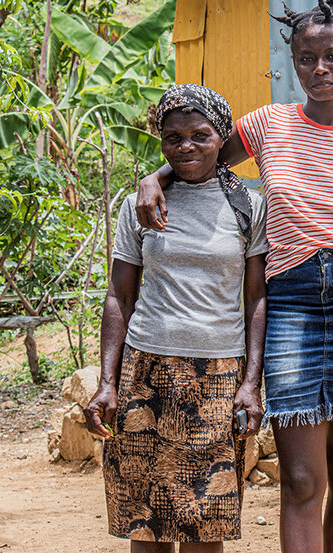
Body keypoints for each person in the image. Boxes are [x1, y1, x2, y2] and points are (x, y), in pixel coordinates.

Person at [135, 0, 333, 553]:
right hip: (289, 306)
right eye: (307, 58)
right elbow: (201, 154)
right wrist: (154, 176)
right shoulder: (268, 125)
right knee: (302, 478)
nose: (321, 68)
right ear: (293, 63)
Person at [84, 84, 268, 553]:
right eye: (173, 137)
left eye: (200, 136)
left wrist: (251, 382)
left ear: (221, 137)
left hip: (217, 375)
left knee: (203, 522)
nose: (186, 146)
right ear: (161, 142)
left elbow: (256, 300)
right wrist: (108, 382)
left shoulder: (249, 206)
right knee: (145, 522)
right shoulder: (138, 205)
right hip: (145, 372)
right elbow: (119, 297)